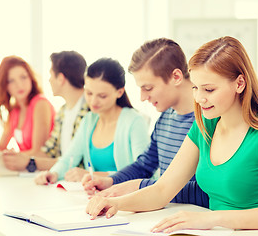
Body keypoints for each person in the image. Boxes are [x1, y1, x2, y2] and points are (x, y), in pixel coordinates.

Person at [85, 36, 258, 233]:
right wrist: (117, 203)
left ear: (239, 83)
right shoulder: (204, 128)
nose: (199, 98)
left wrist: (212, 218)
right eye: (196, 88)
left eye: (209, 90)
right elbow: (162, 189)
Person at [82, 38, 209, 208]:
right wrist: (111, 181)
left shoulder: (209, 120)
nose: (142, 97)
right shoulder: (166, 117)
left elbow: (208, 190)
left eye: (148, 88)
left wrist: (139, 187)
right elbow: (145, 164)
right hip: (166, 214)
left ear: (176, 77)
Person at [35, 58, 150, 184]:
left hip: (125, 197)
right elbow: (68, 159)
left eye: (102, 96)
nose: (93, 102)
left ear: (119, 92)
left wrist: (93, 175)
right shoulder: (88, 120)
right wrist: (53, 173)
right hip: (96, 195)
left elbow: (142, 171)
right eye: (89, 93)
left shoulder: (135, 121)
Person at [0, 51, 90, 173]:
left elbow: (78, 163)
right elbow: (49, 151)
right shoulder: (63, 112)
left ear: (60, 79)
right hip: (63, 180)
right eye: (11, 81)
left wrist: (30, 162)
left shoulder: (90, 110)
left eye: (51, 75)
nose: (49, 80)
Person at [0, 55, 55, 158]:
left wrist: (11, 155)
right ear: (4, 86)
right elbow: (0, 148)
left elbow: (39, 153)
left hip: (44, 170)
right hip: (26, 172)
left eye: (23, 77)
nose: (19, 85)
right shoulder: (15, 112)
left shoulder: (40, 104)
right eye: (11, 81)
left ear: (31, 78)